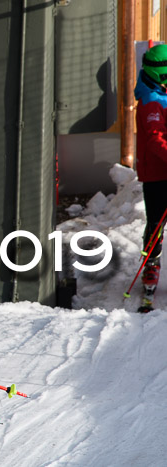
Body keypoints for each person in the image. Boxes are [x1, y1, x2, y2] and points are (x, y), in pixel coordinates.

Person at [134, 44, 167, 311]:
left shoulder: (160, 93)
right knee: (156, 223)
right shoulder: (150, 102)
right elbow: (157, 140)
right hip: (157, 176)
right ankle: (151, 267)